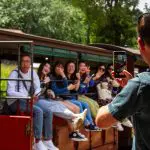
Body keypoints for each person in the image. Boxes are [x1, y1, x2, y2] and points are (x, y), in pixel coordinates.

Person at [95, 13, 150, 149]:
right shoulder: (139, 85)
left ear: (140, 43)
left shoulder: (141, 84)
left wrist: (130, 89)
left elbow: (101, 120)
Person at [7, 53, 58, 150]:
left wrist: (36, 94)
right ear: (20, 62)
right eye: (23, 61)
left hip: (27, 100)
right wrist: (26, 96)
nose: (25, 64)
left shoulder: (32, 73)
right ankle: (37, 141)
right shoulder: (14, 73)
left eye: (28, 61)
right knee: (38, 111)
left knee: (48, 111)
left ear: (30, 63)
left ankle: (48, 140)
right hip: (15, 102)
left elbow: (38, 87)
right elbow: (10, 92)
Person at [37, 61, 88, 141]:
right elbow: (57, 90)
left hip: (58, 98)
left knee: (77, 108)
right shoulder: (50, 77)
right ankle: (76, 128)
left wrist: (63, 75)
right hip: (52, 99)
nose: (60, 69)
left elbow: (65, 85)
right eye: (58, 67)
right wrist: (66, 88)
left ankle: (75, 132)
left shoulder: (58, 77)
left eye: (62, 68)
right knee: (73, 109)